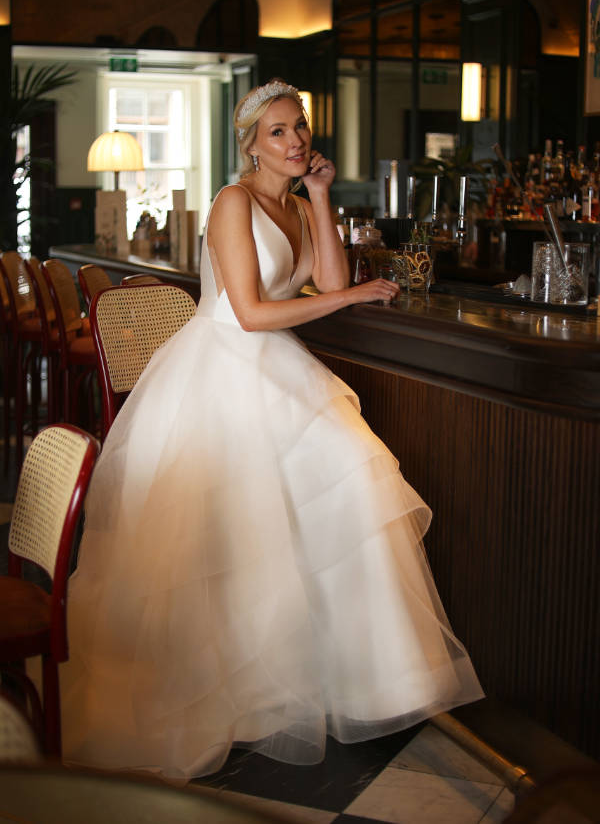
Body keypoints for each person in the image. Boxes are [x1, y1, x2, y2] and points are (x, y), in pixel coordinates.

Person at [61, 79, 483, 782]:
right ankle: (238, 686)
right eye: (279, 131)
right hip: (223, 367)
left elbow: (329, 279)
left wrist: (320, 196)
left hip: (278, 369)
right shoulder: (233, 202)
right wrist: (349, 296)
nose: (295, 141)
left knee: (349, 482)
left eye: (300, 127)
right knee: (238, 526)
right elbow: (252, 313)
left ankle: (364, 682)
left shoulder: (295, 203)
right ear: (251, 144)